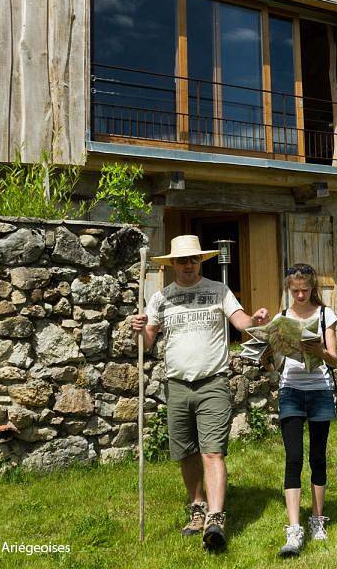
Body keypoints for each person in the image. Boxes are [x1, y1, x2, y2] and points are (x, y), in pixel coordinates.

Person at [130, 234, 269, 554]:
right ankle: (197, 508)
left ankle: (216, 519)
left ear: (200, 262)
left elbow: (241, 321)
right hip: (177, 385)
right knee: (186, 452)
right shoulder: (161, 298)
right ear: (174, 265)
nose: (188, 265)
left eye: (193, 260)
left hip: (213, 383)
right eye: (182, 260)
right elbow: (148, 342)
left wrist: (256, 321)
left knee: (212, 452)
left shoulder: (219, 291)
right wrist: (140, 329)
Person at [263, 263, 337, 559]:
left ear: (313, 287)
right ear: (288, 289)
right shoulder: (282, 318)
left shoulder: (324, 315)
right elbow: (272, 364)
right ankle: (294, 528)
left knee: (317, 456)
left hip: (319, 390)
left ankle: (317, 520)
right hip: (290, 390)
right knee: (293, 457)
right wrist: (266, 354)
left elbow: (333, 360)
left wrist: (317, 349)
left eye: (305, 289)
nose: (300, 295)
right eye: (294, 291)